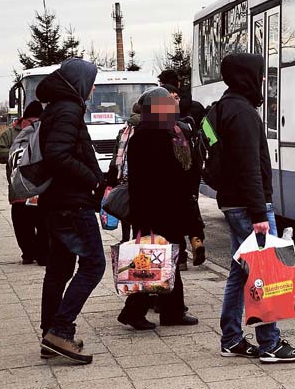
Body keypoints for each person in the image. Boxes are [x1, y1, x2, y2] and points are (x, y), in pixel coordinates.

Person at [216, 52, 295, 363]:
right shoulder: (241, 112)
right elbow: (248, 167)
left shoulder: (224, 107)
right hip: (247, 206)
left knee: (240, 272)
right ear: (247, 76)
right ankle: (269, 343)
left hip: (234, 202)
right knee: (264, 273)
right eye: (258, 74)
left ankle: (231, 338)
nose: (262, 80)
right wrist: (259, 214)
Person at [37, 58, 105, 365]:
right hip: (71, 203)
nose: (92, 89)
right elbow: (57, 154)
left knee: (60, 269)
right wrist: (91, 178)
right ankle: (60, 330)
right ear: (79, 82)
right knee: (93, 265)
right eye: (90, 82)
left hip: (57, 202)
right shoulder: (68, 109)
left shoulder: (58, 106)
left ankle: (49, 334)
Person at [117, 88, 200, 330]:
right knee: (158, 261)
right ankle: (163, 312)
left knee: (157, 261)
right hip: (158, 210)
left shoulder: (156, 133)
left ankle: (149, 310)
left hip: (160, 209)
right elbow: (156, 178)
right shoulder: (151, 137)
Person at [0, 101, 48, 265]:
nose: (33, 124)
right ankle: (30, 252)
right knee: (26, 224)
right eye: (30, 121)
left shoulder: (45, 130)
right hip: (21, 186)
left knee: (39, 222)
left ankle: (40, 253)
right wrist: (17, 154)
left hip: (38, 187)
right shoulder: (11, 133)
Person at [160, 83, 206, 269]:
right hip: (189, 175)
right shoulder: (189, 122)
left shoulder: (164, 127)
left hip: (173, 180)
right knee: (190, 208)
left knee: (173, 217)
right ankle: (196, 240)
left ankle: (180, 258)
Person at [106, 102, 142, 242]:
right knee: (139, 210)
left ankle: (125, 238)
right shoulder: (147, 128)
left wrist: (111, 178)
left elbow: (116, 155)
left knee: (124, 206)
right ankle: (137, 238)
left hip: (124, 176)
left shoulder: (124, 130)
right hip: (139, 177)